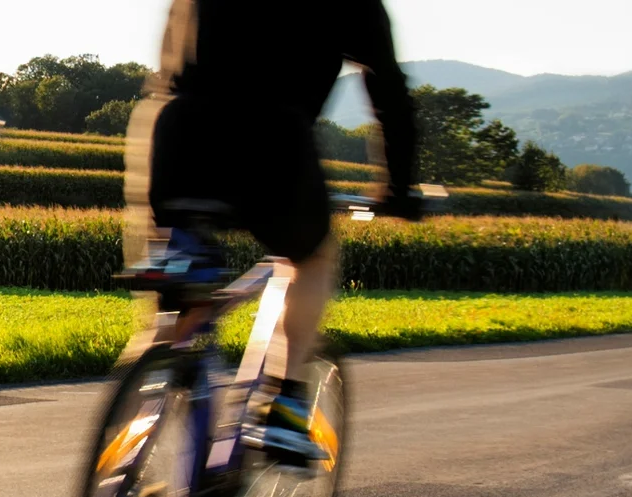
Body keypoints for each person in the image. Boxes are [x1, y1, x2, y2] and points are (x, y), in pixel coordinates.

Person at [118, 0, 422, 461]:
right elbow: (389, 90)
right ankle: (285, 403)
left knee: (178, 292)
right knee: (311, 258)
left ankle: (134, 440)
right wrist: (399, 187)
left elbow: (174, 30)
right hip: (275, 143)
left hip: (181, 129)